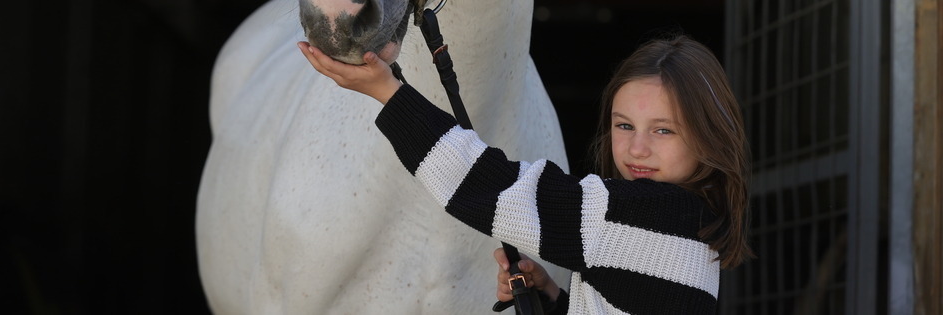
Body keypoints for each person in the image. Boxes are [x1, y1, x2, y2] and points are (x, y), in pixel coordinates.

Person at [298, 33, 753, 314]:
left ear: (708, 138)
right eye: (624, 125)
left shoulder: (649, 212)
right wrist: (554, 297)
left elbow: (485, 186)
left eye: (664, 130)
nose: (637, 147)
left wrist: (388, 92)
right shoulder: (695, 225)